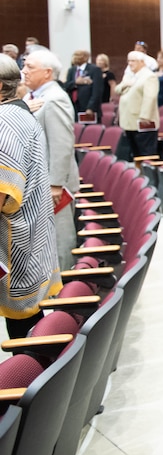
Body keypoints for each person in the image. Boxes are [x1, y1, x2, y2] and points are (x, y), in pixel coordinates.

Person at [0, 55, 63, 338]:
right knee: (28, 324)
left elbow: (4, 194)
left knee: (24, 332)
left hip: (15, 242)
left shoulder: (4, 122)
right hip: (31, 235)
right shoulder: (20, 113)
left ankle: (28, 378)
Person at [22, 49, 80, 269]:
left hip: (53, 187)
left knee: (58, 239)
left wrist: (55, 184)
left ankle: (65, 290)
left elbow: (62, 144)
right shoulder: (32, 97)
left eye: (30, 67)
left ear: (47, 73)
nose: (24, 71)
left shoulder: (54, 99)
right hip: (39, 183)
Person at [115, 51, 160, 160]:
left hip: (142, 123)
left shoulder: (149, 76)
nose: (130, 63)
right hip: (130, 122)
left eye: (133, 61)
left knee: (146, 154)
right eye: (129, 61)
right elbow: (117, 90)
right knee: (135, 155)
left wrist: (145, 116)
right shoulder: (130, 76)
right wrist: (125, 84)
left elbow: (150, 97)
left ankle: (148, 176)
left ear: (142, 62)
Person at [63, 49, 104, 121]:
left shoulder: (94, 70)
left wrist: (90, 107)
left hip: (88, 107)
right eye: (74, 55)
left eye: (78, 55)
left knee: (90, 131)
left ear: (86, 57)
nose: (75, 57)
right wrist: (75, 82)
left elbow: (97, 91)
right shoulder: (71, 70)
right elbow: (66, 86)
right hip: (74, 106)